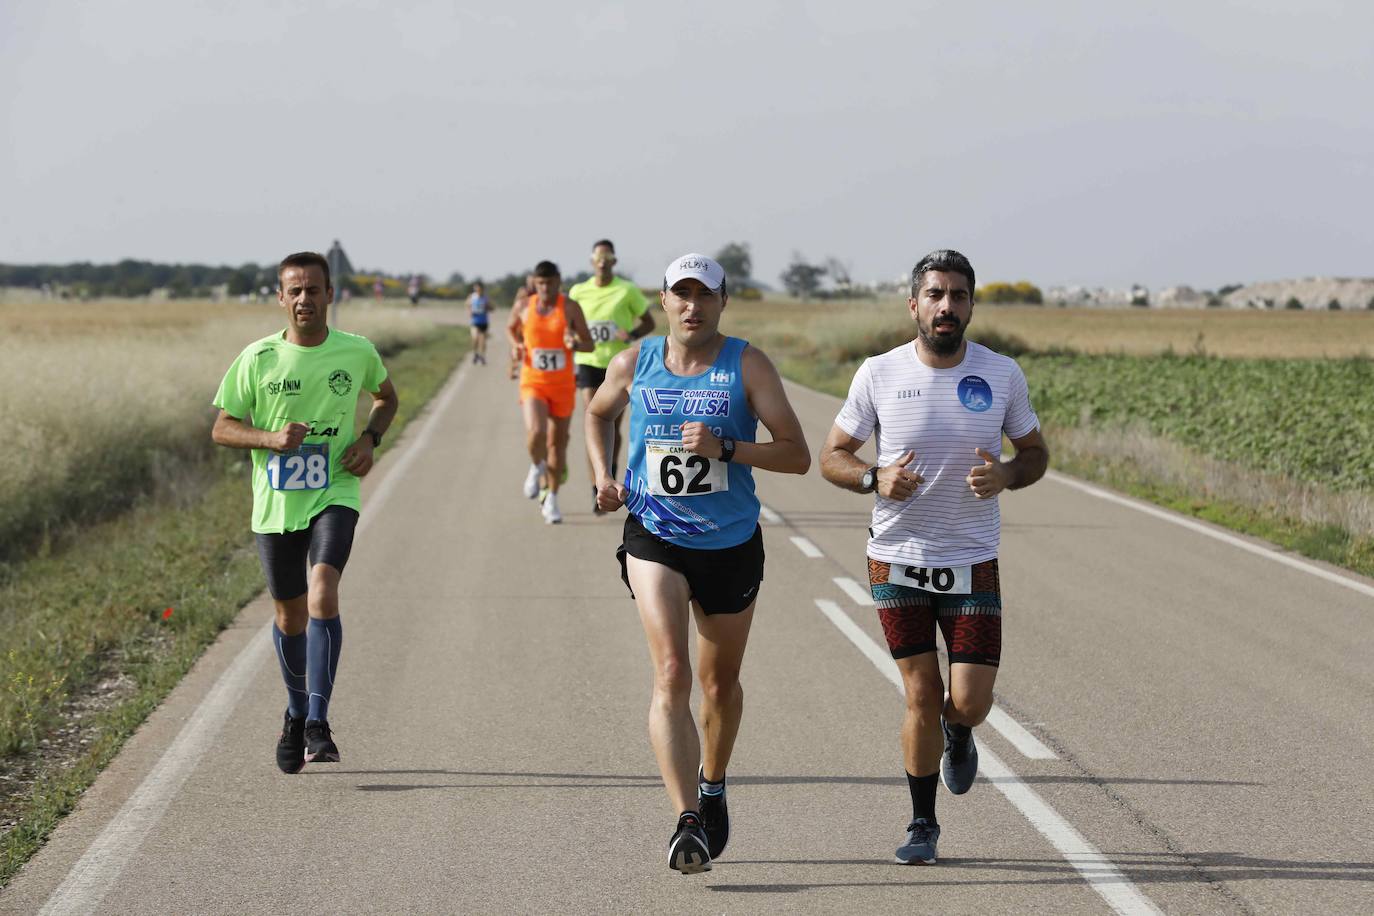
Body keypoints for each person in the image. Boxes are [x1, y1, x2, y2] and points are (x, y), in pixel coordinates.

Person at [818, 249, 1048, 865]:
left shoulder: (1001, 374)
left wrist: (1006, 473)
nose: (947, 306)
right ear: (914, 304)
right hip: (895, 558)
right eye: (936, 295)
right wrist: (872, 479)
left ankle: (961, 731)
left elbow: (1034, 453)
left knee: (968, 700)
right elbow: (833, 453)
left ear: (971, 305)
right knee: (920, 692)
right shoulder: (880, 373)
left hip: (972, 559)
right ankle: (923, 824)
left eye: (959, 296)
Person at [586, 253, 810, 873]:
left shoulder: (748, 364)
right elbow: (598, 412)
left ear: (722, 301)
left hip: (731, 543)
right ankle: (687, 819)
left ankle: (713, 784)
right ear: (662, 301)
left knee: (718, 686)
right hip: (654, 535)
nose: (692, 306)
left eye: (704, 295)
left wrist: (727, 448)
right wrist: (603, 476)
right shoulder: (635, 362)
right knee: (672, 673)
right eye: (680, 294)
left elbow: (797, 456)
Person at [211, 251, 398, 774]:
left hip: (334, 489)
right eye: (293, 290)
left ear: (330, 295)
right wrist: (269, 438)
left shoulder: (355, 351)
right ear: (280, 297)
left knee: (322, 591)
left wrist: (370, 438)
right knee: (289, 615)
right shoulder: (258, 358)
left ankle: (317, 721)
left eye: (313, 290)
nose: (303, 300)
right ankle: (295, 713)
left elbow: (386, 398)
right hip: (275, 504)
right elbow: (222, 427)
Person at [568, 240, 654, 515]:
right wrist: (570, 336)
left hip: (617, 367)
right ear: (592, 261)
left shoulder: (626, 289)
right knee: (593, 420)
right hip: (588, 363)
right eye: (598, 256)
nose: (603, 261)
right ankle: (598, 486)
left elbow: (649, 321)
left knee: (613, 429)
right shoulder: (578, 291)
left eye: (608, 257)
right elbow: (568, 324)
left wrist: (630, 336)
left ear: (614, 261)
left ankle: (609, 475)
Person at [507, 261, 593, 524]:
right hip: (533, 381)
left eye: (550, 283)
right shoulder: (524, 306)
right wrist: (517, 345)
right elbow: (511, 329)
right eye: (540, 283)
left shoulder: (569, 307)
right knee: (536, 432)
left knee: (557, 444)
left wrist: (574, 342)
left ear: (558, 281)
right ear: (534, 282)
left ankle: (552, 499)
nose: (545, 288)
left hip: (563, 385)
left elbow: (589, 344)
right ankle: (537, 466)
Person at [468, 280, 492, 365]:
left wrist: (487, 307)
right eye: (476, 288)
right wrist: (470, 311)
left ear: (482, 289)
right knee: (475, 339)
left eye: (479, 289)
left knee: (483, 341)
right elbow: (467, 305)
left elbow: (492, 308)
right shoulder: (472, 297)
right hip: (474, 321)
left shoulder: (486, 298)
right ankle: (475, 354)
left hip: (484, 321)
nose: (478, 290)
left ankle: (482, 356)